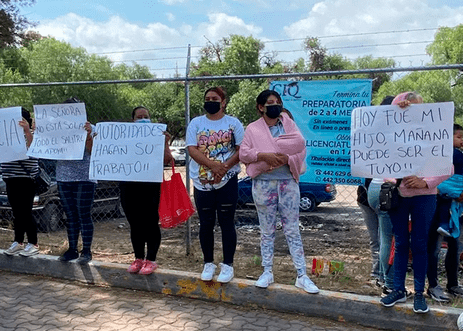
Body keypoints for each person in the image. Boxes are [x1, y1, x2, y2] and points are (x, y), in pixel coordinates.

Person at [239, 89, 319, 294]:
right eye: (270, 102)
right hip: (264, 184)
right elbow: (244, 153)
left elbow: (300, 147)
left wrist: (285, 158)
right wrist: (264, 155)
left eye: (278, 102)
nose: (275, 105)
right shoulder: (253, 129)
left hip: (287, 183)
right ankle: (267, 271)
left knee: (292, 229)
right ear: (260, 107)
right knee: (267, 230)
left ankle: (301, 275)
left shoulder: (288, 124)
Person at [379, 92, 450, 313]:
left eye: (419, 108)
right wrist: (395, 111)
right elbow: (377, 158)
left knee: (420, 244)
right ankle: (398, 289)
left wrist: (425, 182)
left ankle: (420, 293)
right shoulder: (393, 133)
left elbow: (447, 165)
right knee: (400, 243)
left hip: (425, 197)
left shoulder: (436, 130)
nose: (414, 112)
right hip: (399, 196)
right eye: (410, 107)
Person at [186, 87, 244, 283]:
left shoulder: (233, 123)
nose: (211, 101)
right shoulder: (196, 123)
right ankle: (208, 263)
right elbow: (192, 149)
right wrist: (212, 166)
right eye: (207, 98)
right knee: (206, 223)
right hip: (202, 183)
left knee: (227, 222)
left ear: (224, 101)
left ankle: (227, 265)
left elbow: (241, 149)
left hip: (228, 181)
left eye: (215, 98)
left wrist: (224, 168)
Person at [426, 123, 463, 302]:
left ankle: (453, 284)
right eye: (458, 137)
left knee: (455, 247)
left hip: (457, 207)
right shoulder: (434, 156)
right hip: (437, 206)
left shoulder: (459, 158)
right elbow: (433, 183)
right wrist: (452, 191)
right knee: (434, 248)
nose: (462, 141)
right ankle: (433, 286)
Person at [124, 106, 173, 275]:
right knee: (135, 223)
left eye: (146, 116)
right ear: (133, 121)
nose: (143, 119)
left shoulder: (157, 138)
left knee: (151, 222)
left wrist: (165, 143)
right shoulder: (124, 138)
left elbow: (167, 160)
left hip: (150, 185)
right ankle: (138, 258)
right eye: (139, 117)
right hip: (128, 186)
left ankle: (151, 260)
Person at [362, 95, 395, 295]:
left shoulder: (372, 131)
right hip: (387, 187)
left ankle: (383, 278)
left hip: (374, 186)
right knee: (388, 240)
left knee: (383, 238)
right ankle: (388, 283)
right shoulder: (396, 132)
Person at [57, 98, 97, 265]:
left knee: (83, 214)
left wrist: (88, 136)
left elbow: (94, 152)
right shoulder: (56, 128)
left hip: (85, 177)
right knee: (70, 215)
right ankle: (72, 249)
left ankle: (86, 251)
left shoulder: (91, 128)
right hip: (63, 176)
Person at [2, 108, 40, 257]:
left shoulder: (32, 134)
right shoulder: (5, 136)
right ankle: (18, 241)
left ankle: (33, 243)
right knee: (17, 212)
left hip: (26, 178)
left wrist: (27, 131)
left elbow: (34, 150)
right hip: (10, 177)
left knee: (26, 211)